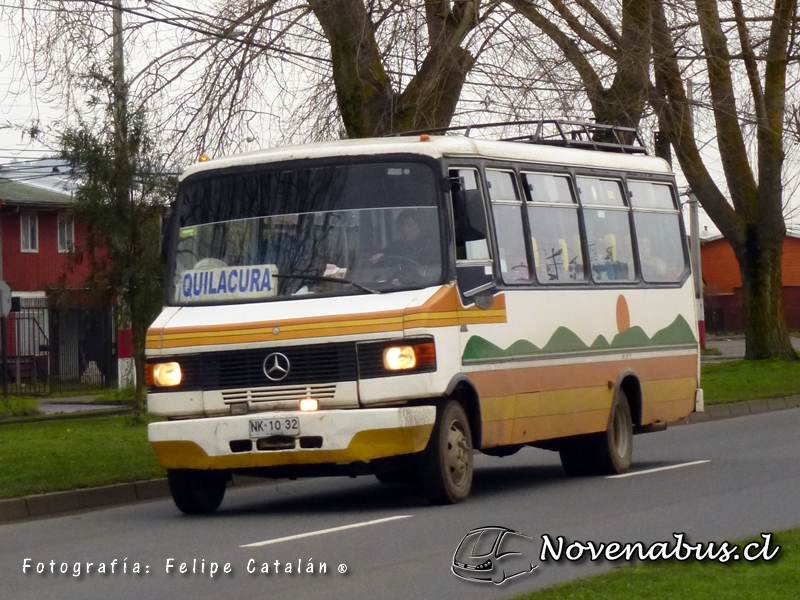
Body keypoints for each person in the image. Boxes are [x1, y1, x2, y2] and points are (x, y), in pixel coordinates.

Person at [368, 209, 439, 277]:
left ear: (420, 227)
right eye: (402, 225)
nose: (405, 229)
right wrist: (375, 262)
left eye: (410, 225)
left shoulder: (433, 247)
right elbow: (380, 269)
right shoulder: (391, 249)